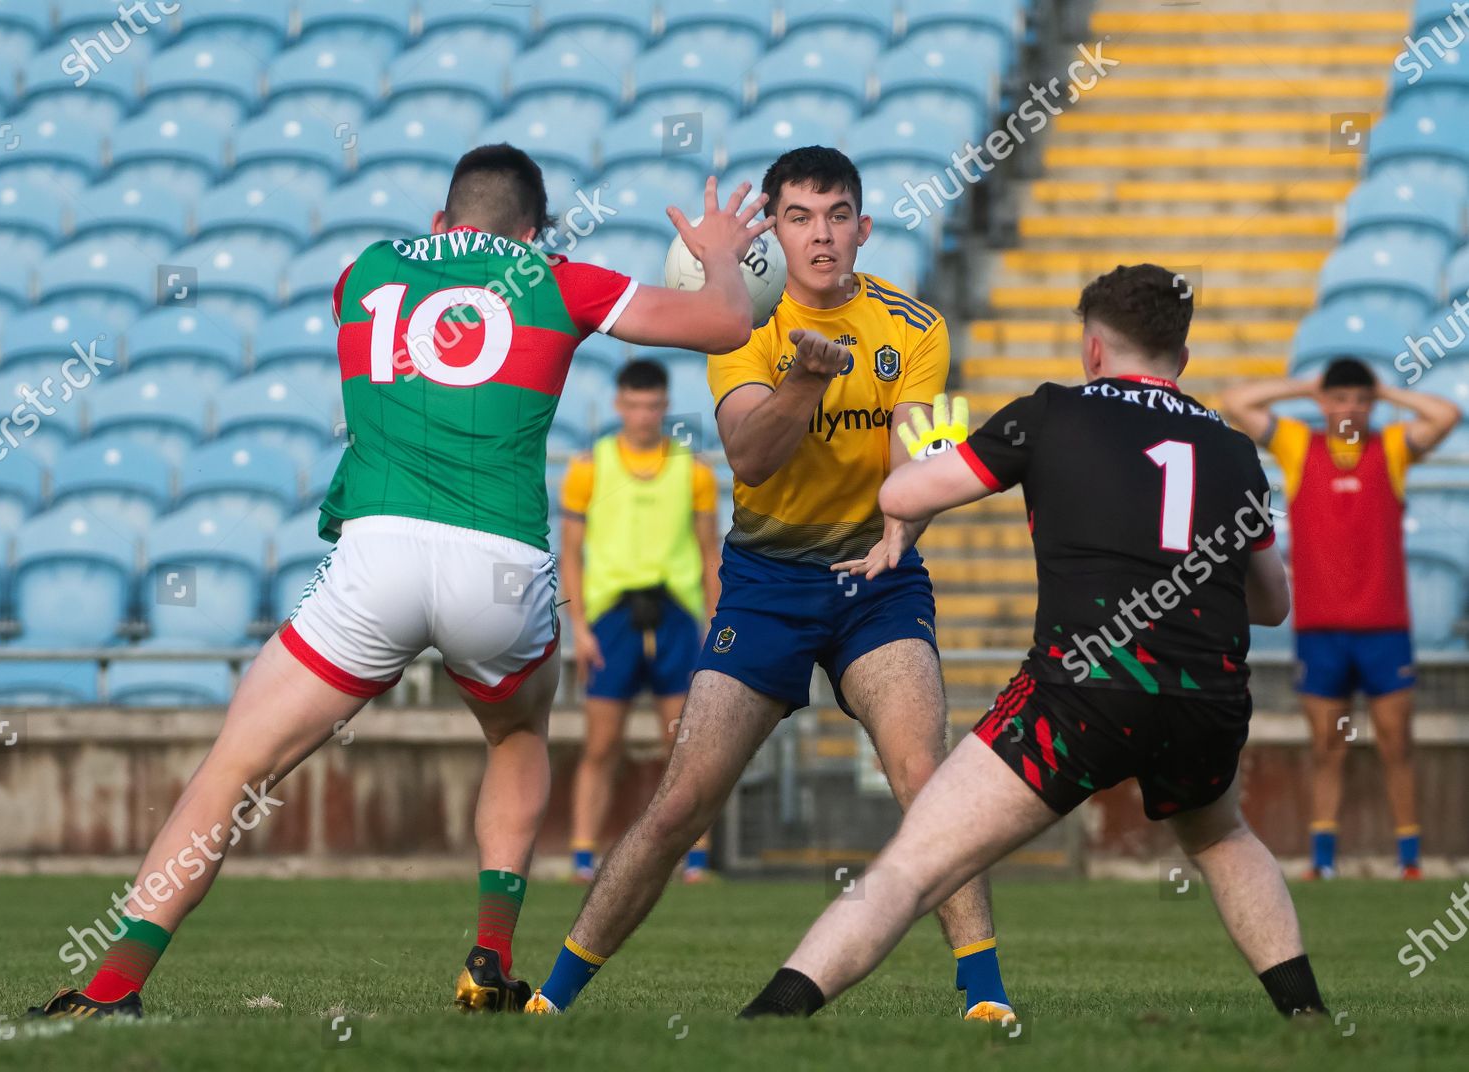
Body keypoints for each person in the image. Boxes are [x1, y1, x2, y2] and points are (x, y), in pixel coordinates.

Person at [26, 144, 773, 1019]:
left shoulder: (362, 271)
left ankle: (110, 985)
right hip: (498, 567)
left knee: (234, 767)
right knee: (517, 734)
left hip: (374, 557)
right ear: (534, 234)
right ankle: (490, 954)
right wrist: (721, 253)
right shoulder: (559, 277)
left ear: (441, 220)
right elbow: (727, 322)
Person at [737, 263, 1329, 1022]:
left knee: (915, 864)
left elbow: (899, 496)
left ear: (1091, 351)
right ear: (1182, 358)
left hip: (1080, 693)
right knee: (1221, 839)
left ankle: (774, 1016)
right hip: (1204, 697)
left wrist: (935, 448)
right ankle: (1306, 1014)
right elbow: (1273, 604)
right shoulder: (1234, 451)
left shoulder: (1049, 414)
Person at [523, 146, 1016, 1022]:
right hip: (764, 583)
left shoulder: (915, 326)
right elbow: (749, 455)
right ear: (775, 234)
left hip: (880, 580)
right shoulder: (742, 322)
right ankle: (555, 996)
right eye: (799, 217)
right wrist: (807, 376)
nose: (820, 235)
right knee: (682, 799)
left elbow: (918, 458)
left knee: (922, 774)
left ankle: (983, 993)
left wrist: (903, 528)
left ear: (863, 229)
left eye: (836, 217)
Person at [1222, 362, 1459, 879]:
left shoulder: (1392, 448)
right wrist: (1307, 387)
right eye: (1338, 398)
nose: (1349, 408)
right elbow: (1236, 402)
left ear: (1372, 404)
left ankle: (1410, 861)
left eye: (1360, 400)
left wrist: (1386, 390)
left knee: (1398, 745)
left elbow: (1446, 414)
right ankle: (1322, 861)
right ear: (1323, 402)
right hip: (1320, 632)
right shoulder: (1296, 446)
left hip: (1385, 630)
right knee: (1327, 748)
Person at [561, 358, 722, 884]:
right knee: (602, 744)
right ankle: (584, 853)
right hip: (613, 617)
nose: (643, 415)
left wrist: (714, 623)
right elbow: (570, 553)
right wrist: (580, 628)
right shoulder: (589, 467)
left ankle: (695, 856)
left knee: (685, 743)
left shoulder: (693, 470)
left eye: (653, 405)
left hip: (675, 614)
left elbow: (708, 552)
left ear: (665, 406)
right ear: (618, 405)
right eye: (634, 404)